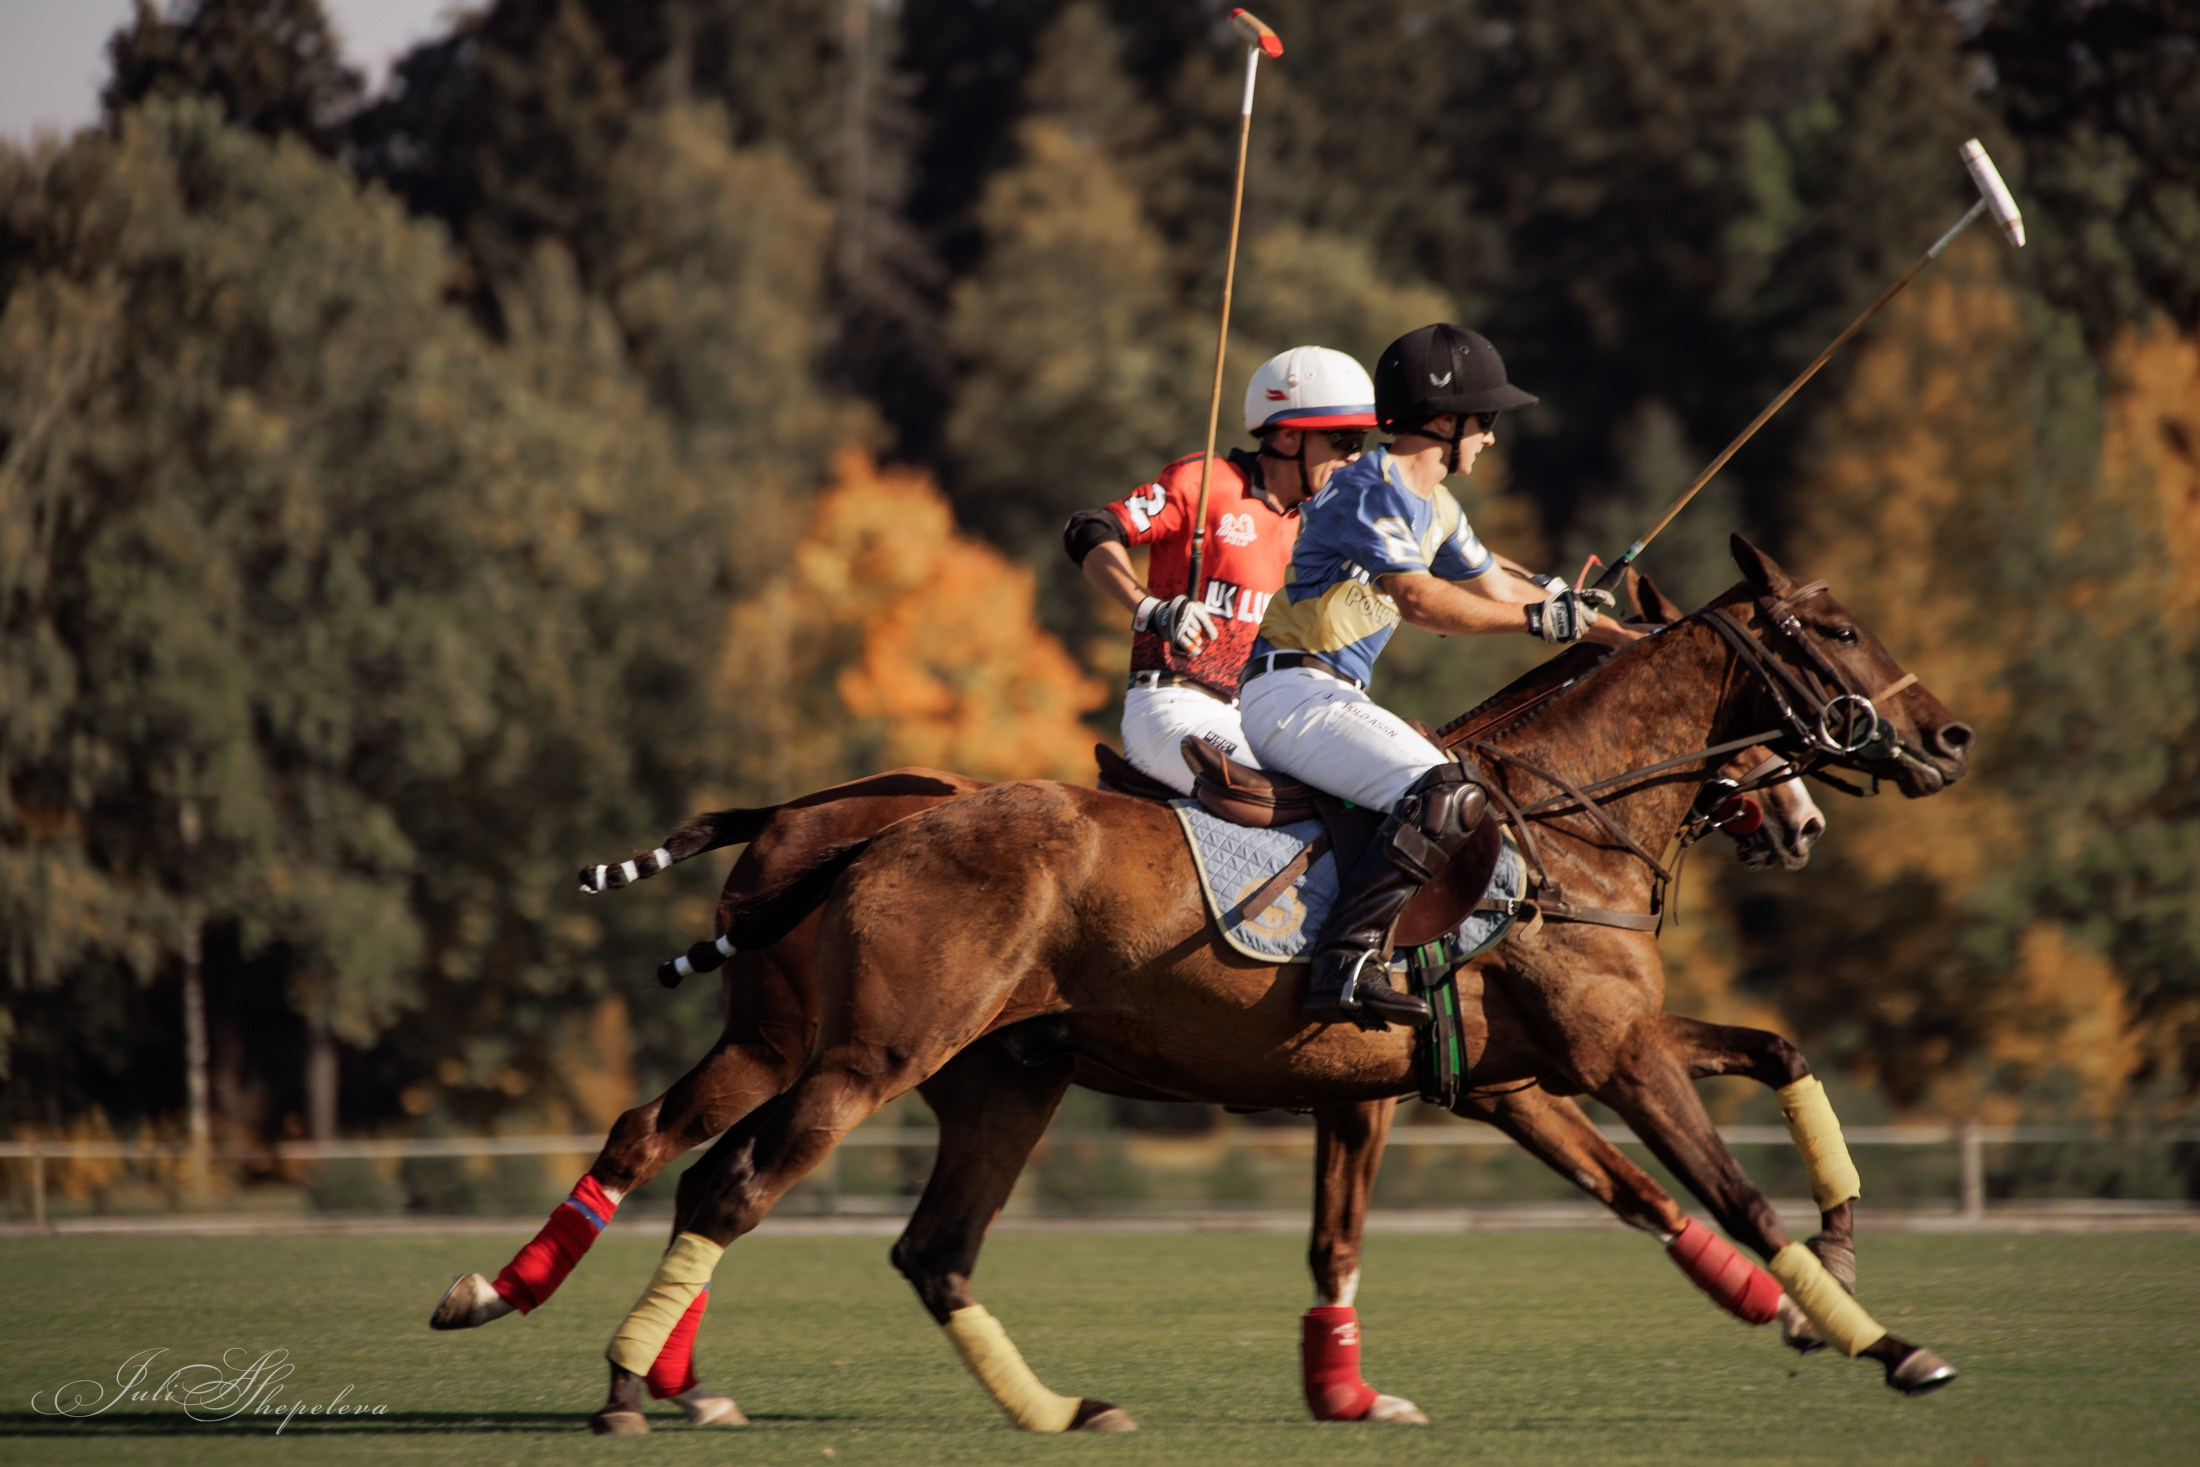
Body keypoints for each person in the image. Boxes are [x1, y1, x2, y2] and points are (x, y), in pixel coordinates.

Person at [1240, 323, 1633, 1029]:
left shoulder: (1438, 508)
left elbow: (1496, 588)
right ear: (1444, 420)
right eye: (1484, 422)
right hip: (1291, 691)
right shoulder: (1369, 488)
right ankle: (1346, 962)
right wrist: (1542, 622)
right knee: (1448, 791)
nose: (1489, 439)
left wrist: (1624, 636)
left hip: (1323, 694)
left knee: (1451, 785)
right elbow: (1419, 599)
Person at [1063, 346, 1378, 795]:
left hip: (1256, 718)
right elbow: (1088, 530)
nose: (1354, 458)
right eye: (1344, 441)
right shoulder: (1207, 482)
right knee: (1279, 793)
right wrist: (1149, 608)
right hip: (1173, 707)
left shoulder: (1317, 527)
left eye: (1360, 444)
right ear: (1289, 437)